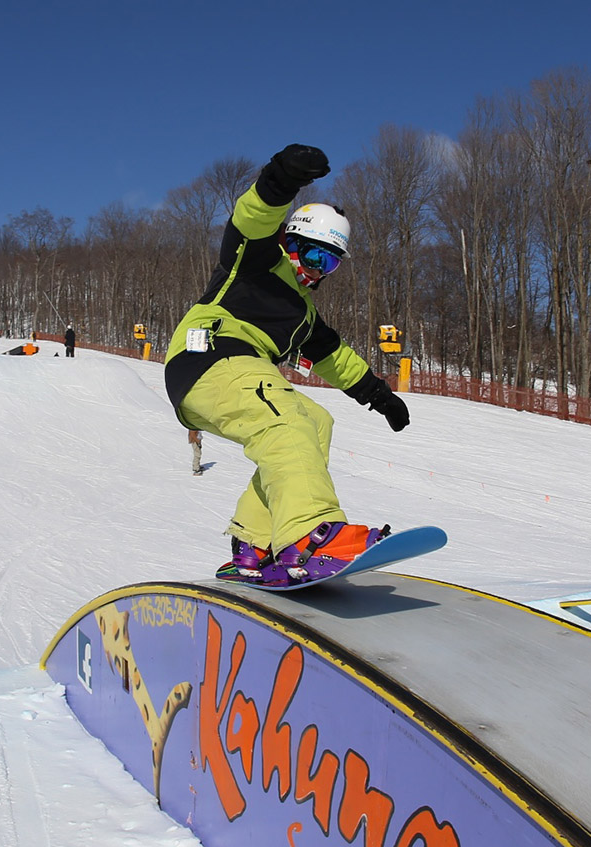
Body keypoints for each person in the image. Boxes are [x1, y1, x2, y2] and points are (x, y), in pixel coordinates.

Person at [163, 143, 410, 586]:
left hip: (235, 372)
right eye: (314, 255)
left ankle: (255, 545)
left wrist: (379, 395)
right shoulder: (257, 261)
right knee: (285, 422)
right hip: (209, 355)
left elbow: (334, 357)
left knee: (315, 421)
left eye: (329, 262)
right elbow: (251, 220)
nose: (318, 270)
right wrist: (281, 179)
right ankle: (310, 536)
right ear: (289, 242)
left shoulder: (302, 315)